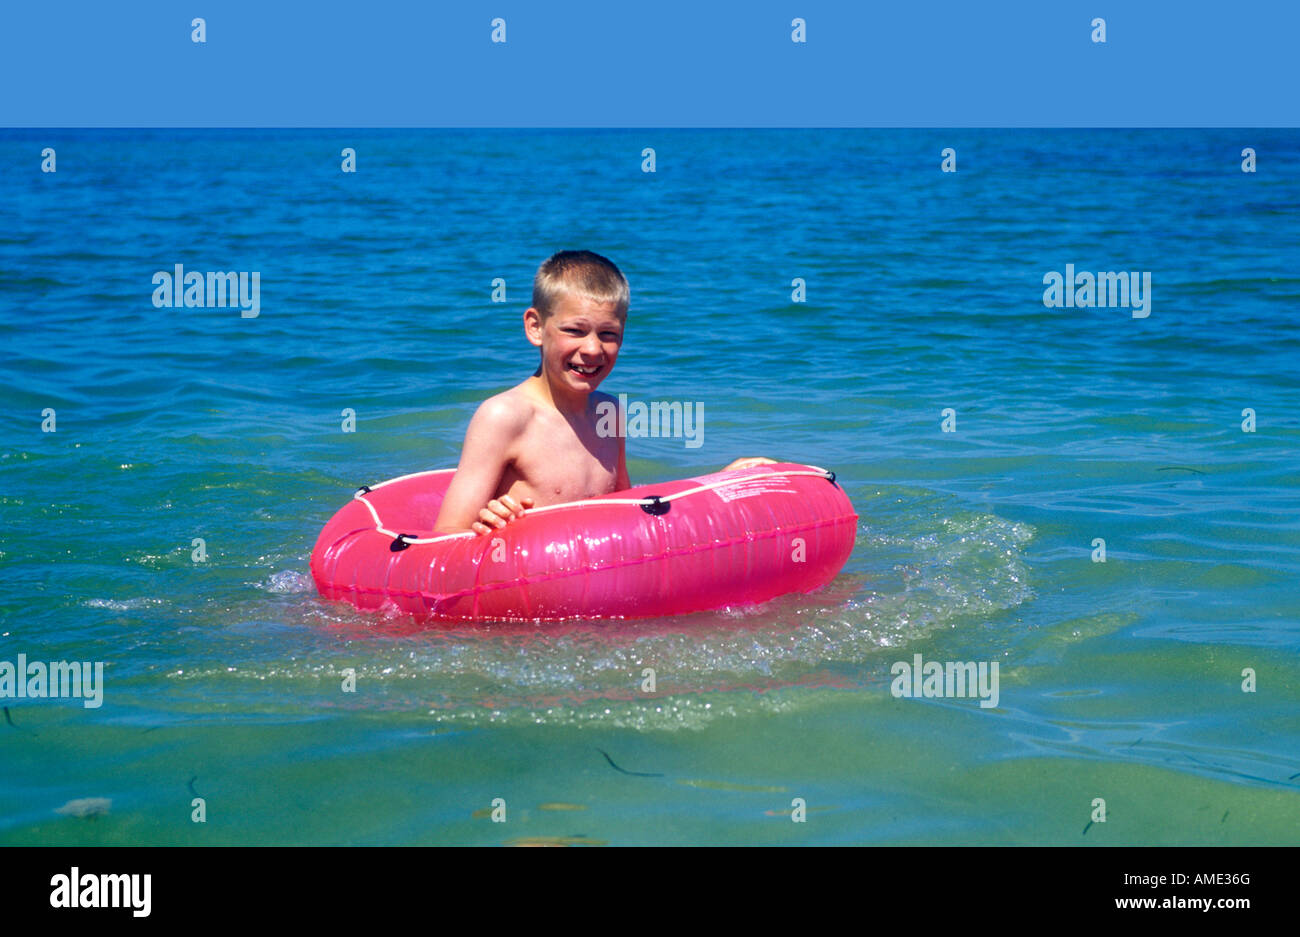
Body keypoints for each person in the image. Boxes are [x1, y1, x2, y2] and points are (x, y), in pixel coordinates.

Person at [433, 250, 774, 535]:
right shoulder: (505, 417)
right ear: (535, 327)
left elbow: (628, 510)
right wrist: (487, 520)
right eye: (574, 330)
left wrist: (713, 485)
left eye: (608, 334)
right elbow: (444, 540)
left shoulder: (609, 412)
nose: (593, 349)